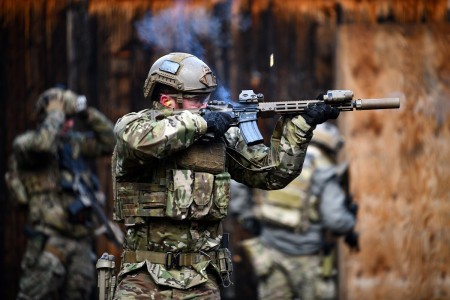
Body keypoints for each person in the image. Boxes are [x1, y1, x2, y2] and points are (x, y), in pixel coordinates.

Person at [112, 52, 339, 299]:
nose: (205, 106)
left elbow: (272, 173)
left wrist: (302, 126)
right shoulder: (135, 127)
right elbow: (139, 141)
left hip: (200, 281)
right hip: (142, 280)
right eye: (196, 100)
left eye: (206, 98)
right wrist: (201, 124)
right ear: (167, 101)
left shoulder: (219, 139)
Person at [9, 87, 116, 299]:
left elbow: (111, 142)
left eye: (71, 118)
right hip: (49, 242)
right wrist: (56, 111)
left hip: (80, 241)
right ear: (46, 116)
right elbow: (43, 145)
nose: (68, 123)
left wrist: (85, 112)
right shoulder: (25, 145)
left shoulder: (73, 143)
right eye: (64, 118)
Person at [234, 122, 357, 300]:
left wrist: (247, 217)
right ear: (332, 146)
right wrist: (350, 222)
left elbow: (238, 180)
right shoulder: (324, 170)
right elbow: (336, 220)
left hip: (270, 254)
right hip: (307, 258)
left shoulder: (278, 157)